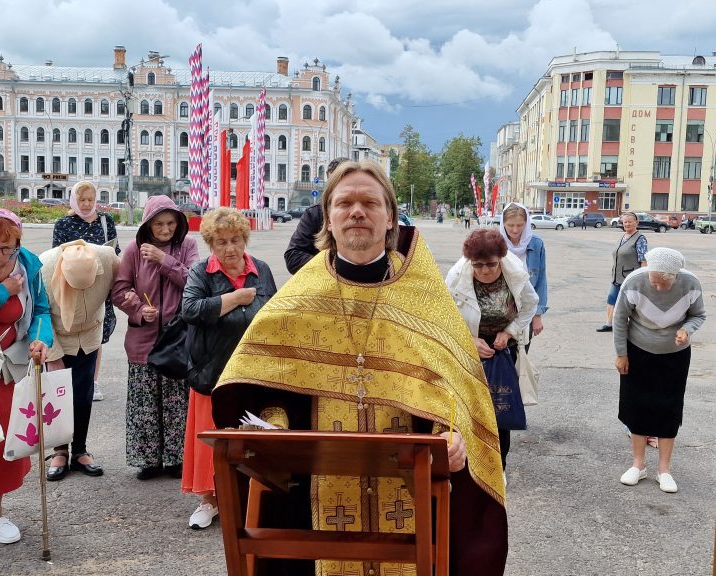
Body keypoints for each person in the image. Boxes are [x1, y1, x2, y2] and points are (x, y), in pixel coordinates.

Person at [214, 160, 508, 575]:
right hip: (318, 492)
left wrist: (451, 435)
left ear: (390, 217)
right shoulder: (298, 299)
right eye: (344, 202)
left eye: (370, 202)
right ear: (328, 219)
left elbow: (454, 388)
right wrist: (272, 428)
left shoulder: (425, 298)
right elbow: (264, 390)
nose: (357, 211)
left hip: (409, 487)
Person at [180, 207, 277, 529]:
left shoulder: (260, 269)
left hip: (251, 371)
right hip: (212, 370)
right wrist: (234, 299)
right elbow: (190, 310)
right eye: (221, 242)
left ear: (244, 239)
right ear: (210, 243)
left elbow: (273, 312)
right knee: (212, 440)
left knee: (251, 438)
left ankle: (248, 497)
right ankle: (208, 500)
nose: (230, 248)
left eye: (235, 240)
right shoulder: (201, 272)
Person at [112, 195, 199, 480]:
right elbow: (120, 290)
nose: (165, 229)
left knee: (176, 401)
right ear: (148, 225)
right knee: (144, 401)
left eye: (171, 223)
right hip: (143, 340)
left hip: (177, 338)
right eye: (159, 224)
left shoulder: (187, 246)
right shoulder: (133, 250)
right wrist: (138, 308)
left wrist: (165, 260)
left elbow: (194, 283)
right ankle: (147, 460)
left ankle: (176, 459)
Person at [614, 247, 706, 493]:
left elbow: (698, 315)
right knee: (636, 406)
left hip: (674, 355)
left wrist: (686, 330)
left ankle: (664, 470)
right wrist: (621, 354)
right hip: (638, 351)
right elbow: (620, 319)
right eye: (653, 281)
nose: (657, 287)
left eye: (663, 283)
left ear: (674, 276)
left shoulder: (691, 284)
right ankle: (638, 465)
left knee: (669, 409)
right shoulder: (635, 282)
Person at [446, 228, 538, 465]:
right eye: (478, 265)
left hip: (503, 349)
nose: (485, 270)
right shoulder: (456, 277)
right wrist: (469, 341)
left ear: (501, 259)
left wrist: (509, 332)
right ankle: (470, 463)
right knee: (469, 409)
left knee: (500, 410)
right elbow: (445, 317)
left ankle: (499, 467)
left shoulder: (515, 273)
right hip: (470, 349)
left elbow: (530, 305)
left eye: (491, 264)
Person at [0, 210, 52, 544]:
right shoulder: (10, 278)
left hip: (6, 371)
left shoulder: (28, 267)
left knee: (2, 446)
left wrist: (40, 339)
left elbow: (42, 311)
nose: (1, 255)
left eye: (8, 248)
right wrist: (3, 291)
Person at [41, 240, 119, 481]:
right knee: (57, 397)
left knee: (84, 395)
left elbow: (125, 286)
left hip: (89, 333)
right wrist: (53, 356)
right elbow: (39, 312)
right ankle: (60, 452)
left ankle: (80, 450)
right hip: (57, 334)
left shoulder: (107, 258)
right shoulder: (44, 266)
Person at [52, 180, 120, 402]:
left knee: (97, 335)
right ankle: (68, 380)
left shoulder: (105, 220)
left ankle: (93, 380)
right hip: (71, 286)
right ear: (74, 199)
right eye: (82, 199)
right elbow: (56, 256)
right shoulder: (64, 223)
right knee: (70, 330)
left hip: (99, 286)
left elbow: (114, 250)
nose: (86, 204)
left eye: (90, 199)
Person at [284, 156, 350, 274]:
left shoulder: (371, 213)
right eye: (333, 182)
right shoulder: (315, 213)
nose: (338, 188)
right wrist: (332, 267)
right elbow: (293, 257)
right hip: (324, 287)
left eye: (344, 182)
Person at [499, 202, 548, 350]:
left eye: (520, 225)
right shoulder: (495, 242)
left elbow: (540, 280)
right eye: (510, 225)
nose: (515, 230)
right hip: (499, 311)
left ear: (526, 224)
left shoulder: (536, 244)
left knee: (521, 355)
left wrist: (538, 314)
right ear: (503, 223)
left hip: (526, 310)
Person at [596, 211, 647, 333]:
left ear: (636, 222)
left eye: (630, 222)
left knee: (631, 303)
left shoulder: (640, 239)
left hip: (631, 278)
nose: (627, 224)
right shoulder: (623, 237)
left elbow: (643, 259)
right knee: (611, 299)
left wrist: (643, 278)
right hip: (617, 276)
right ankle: (609, 324)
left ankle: (638, 326)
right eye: (625, 222)